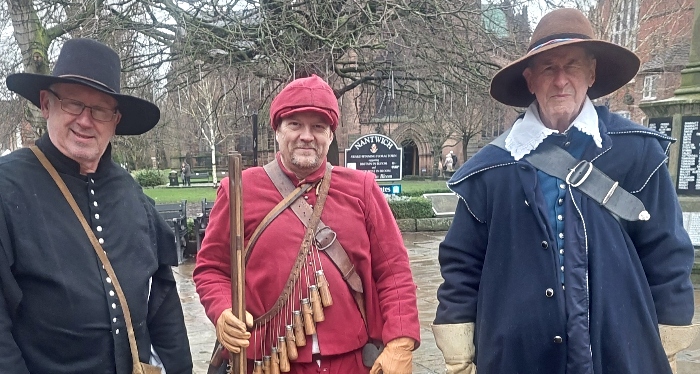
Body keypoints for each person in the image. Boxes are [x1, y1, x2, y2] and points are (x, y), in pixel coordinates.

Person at [432, 8, 698, 374]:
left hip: (619, 349)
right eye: (548, 68)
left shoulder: (637, 152)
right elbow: (462, 265)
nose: (560, 80)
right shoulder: (490, 168)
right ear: (530, 80)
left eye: (571, 66)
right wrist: (459, 355)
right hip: (516, 356)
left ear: (591, 73)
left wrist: (666, 340)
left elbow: (666, 249)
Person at [193, 75, 420, 374]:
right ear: (277, 131)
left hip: (351, 362)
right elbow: (211, 269)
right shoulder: (238, 188)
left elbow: (394, 272)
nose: (307, 136)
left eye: (318, 127)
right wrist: (222, 311)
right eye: (295, 124)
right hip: (268, 363)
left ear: (330, 136)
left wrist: (401, 342)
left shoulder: (362, 188)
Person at [0, 38, 193, 373]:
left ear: (115, 121)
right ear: (46, 104)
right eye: (73, 103)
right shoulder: (6, 189)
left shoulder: (131, 194)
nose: (86, 121)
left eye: (101, 110)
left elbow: (162, 305)